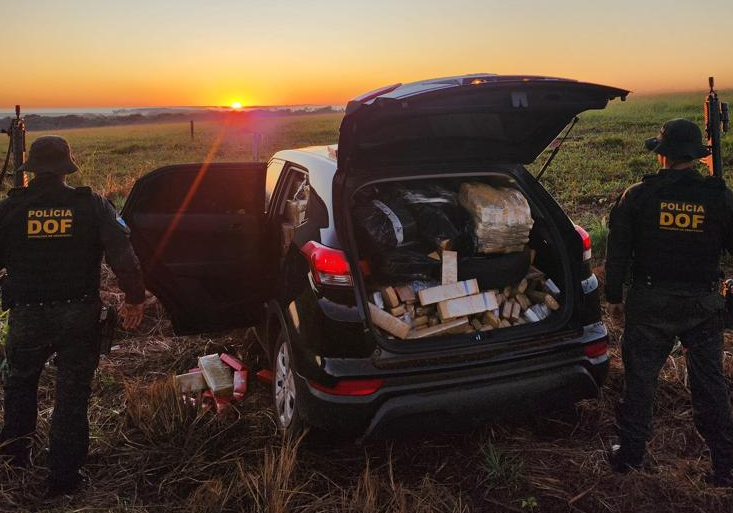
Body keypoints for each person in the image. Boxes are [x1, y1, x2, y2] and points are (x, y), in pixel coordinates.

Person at [0, 136, 146, 497]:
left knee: (19, 385)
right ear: (67, 168)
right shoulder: (91, 205)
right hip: (79, 314)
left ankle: (13, 460)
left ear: (30, 169)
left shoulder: (9, 209)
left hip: (25, 315)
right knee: (71, 392)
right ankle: (63, 478)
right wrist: (135, 298)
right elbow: (123, 256)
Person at [605, 118, 733, 486]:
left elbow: (617, 252)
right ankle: (724, 466)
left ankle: (629, 457)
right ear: (695, 156)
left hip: (650, 303)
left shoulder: (639, 195)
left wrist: (614, 297)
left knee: (640, 381)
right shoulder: (720, 196)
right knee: (710, 385)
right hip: (703, 304)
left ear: (663, 156)